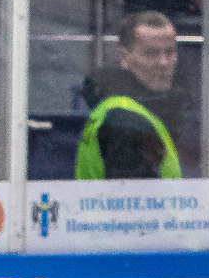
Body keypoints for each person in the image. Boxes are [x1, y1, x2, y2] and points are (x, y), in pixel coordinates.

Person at [72, 12, 192, 181]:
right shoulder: (125, 120)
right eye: (151, 54)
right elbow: (137, 201)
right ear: (125, 57)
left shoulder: (119, 107)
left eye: (170, 52)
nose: (164, 63)